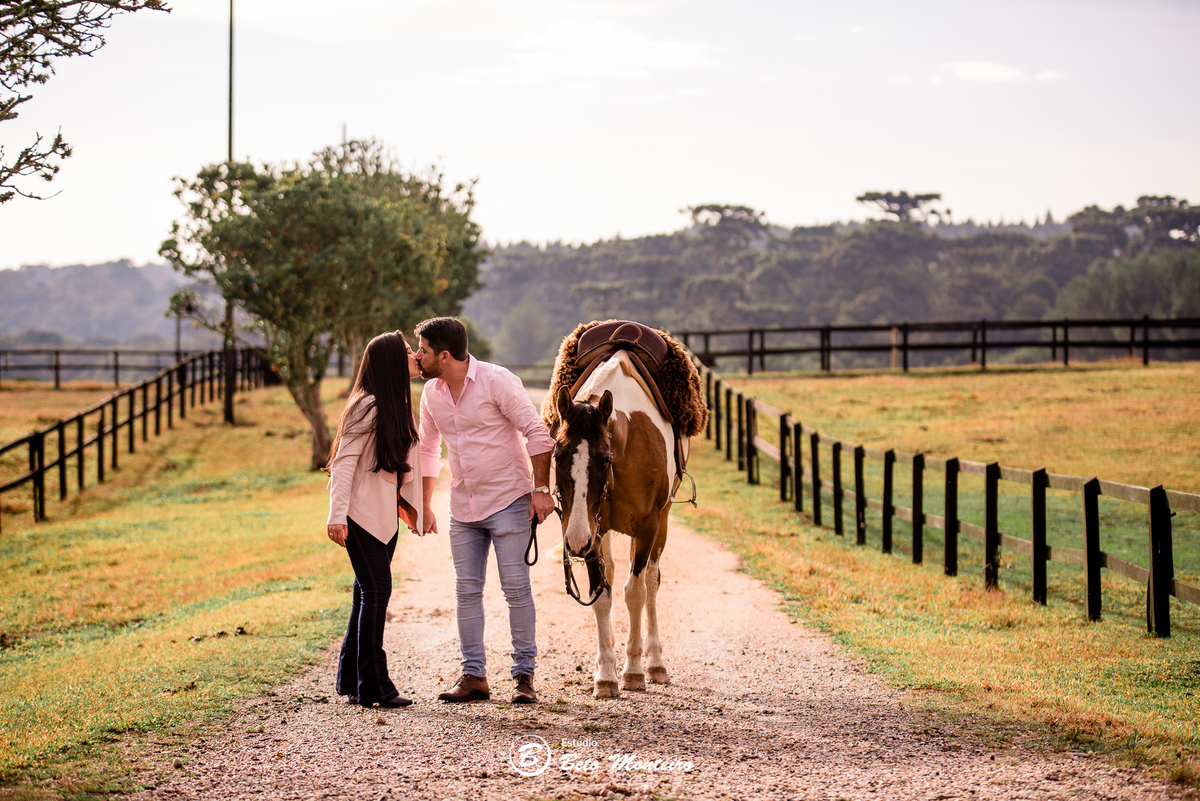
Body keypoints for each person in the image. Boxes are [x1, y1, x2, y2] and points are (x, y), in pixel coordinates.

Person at [415, 317, 555, 705]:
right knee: (466, 591)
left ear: (444, 355)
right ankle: (474, 676)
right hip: (463, 507)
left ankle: (524, 677)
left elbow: (538, 433)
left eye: (423, 350)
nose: (417, 356)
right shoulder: (431, 393)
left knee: (515, 590)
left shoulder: (497, 381)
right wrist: (424, 503)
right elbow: (427, 449)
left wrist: (541, 491)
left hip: (509, 501)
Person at [326, 331, 424, 709]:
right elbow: (343, 463)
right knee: (376, 593)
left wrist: (412, 508)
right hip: (360, 518)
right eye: (406, 352)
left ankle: (352, 678)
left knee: (364, 595)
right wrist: (336, 516)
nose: (415, 356)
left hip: (385, 519)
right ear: (389, 362)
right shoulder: (365, 406)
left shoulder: (391, 403)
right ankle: (374, 686)